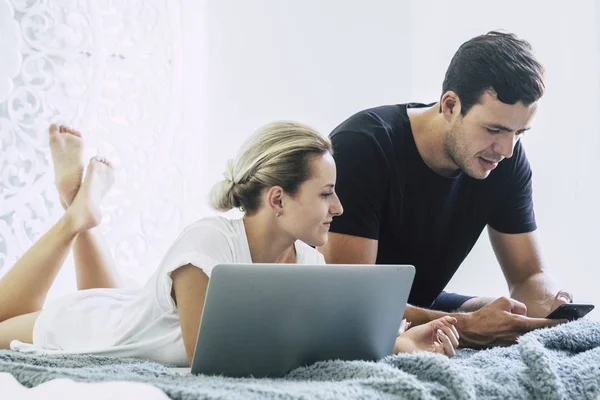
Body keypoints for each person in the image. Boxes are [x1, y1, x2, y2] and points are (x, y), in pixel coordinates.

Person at [0, 123, 460, 367]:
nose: (339, 208)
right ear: (278, 198)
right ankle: (75, 218)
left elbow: (332, 336)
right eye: (326, 193)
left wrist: (400, 343)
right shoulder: (207, 245)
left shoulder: (306, 259)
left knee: (125, 308)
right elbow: (208, 356)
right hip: (88, 331)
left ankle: (80, 210)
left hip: (128, 315)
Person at [318, 31, 572, 348]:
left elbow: (527, 277)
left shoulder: (507, 162)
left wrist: (551, 301)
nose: (506, 150)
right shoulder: (363, 147)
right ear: (450, 105)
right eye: (494, 129)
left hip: (421, 303)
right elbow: (353, 302)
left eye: (519, 133)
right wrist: (467, 326)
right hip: (340, 309)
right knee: (476, 315)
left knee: (496, 310)